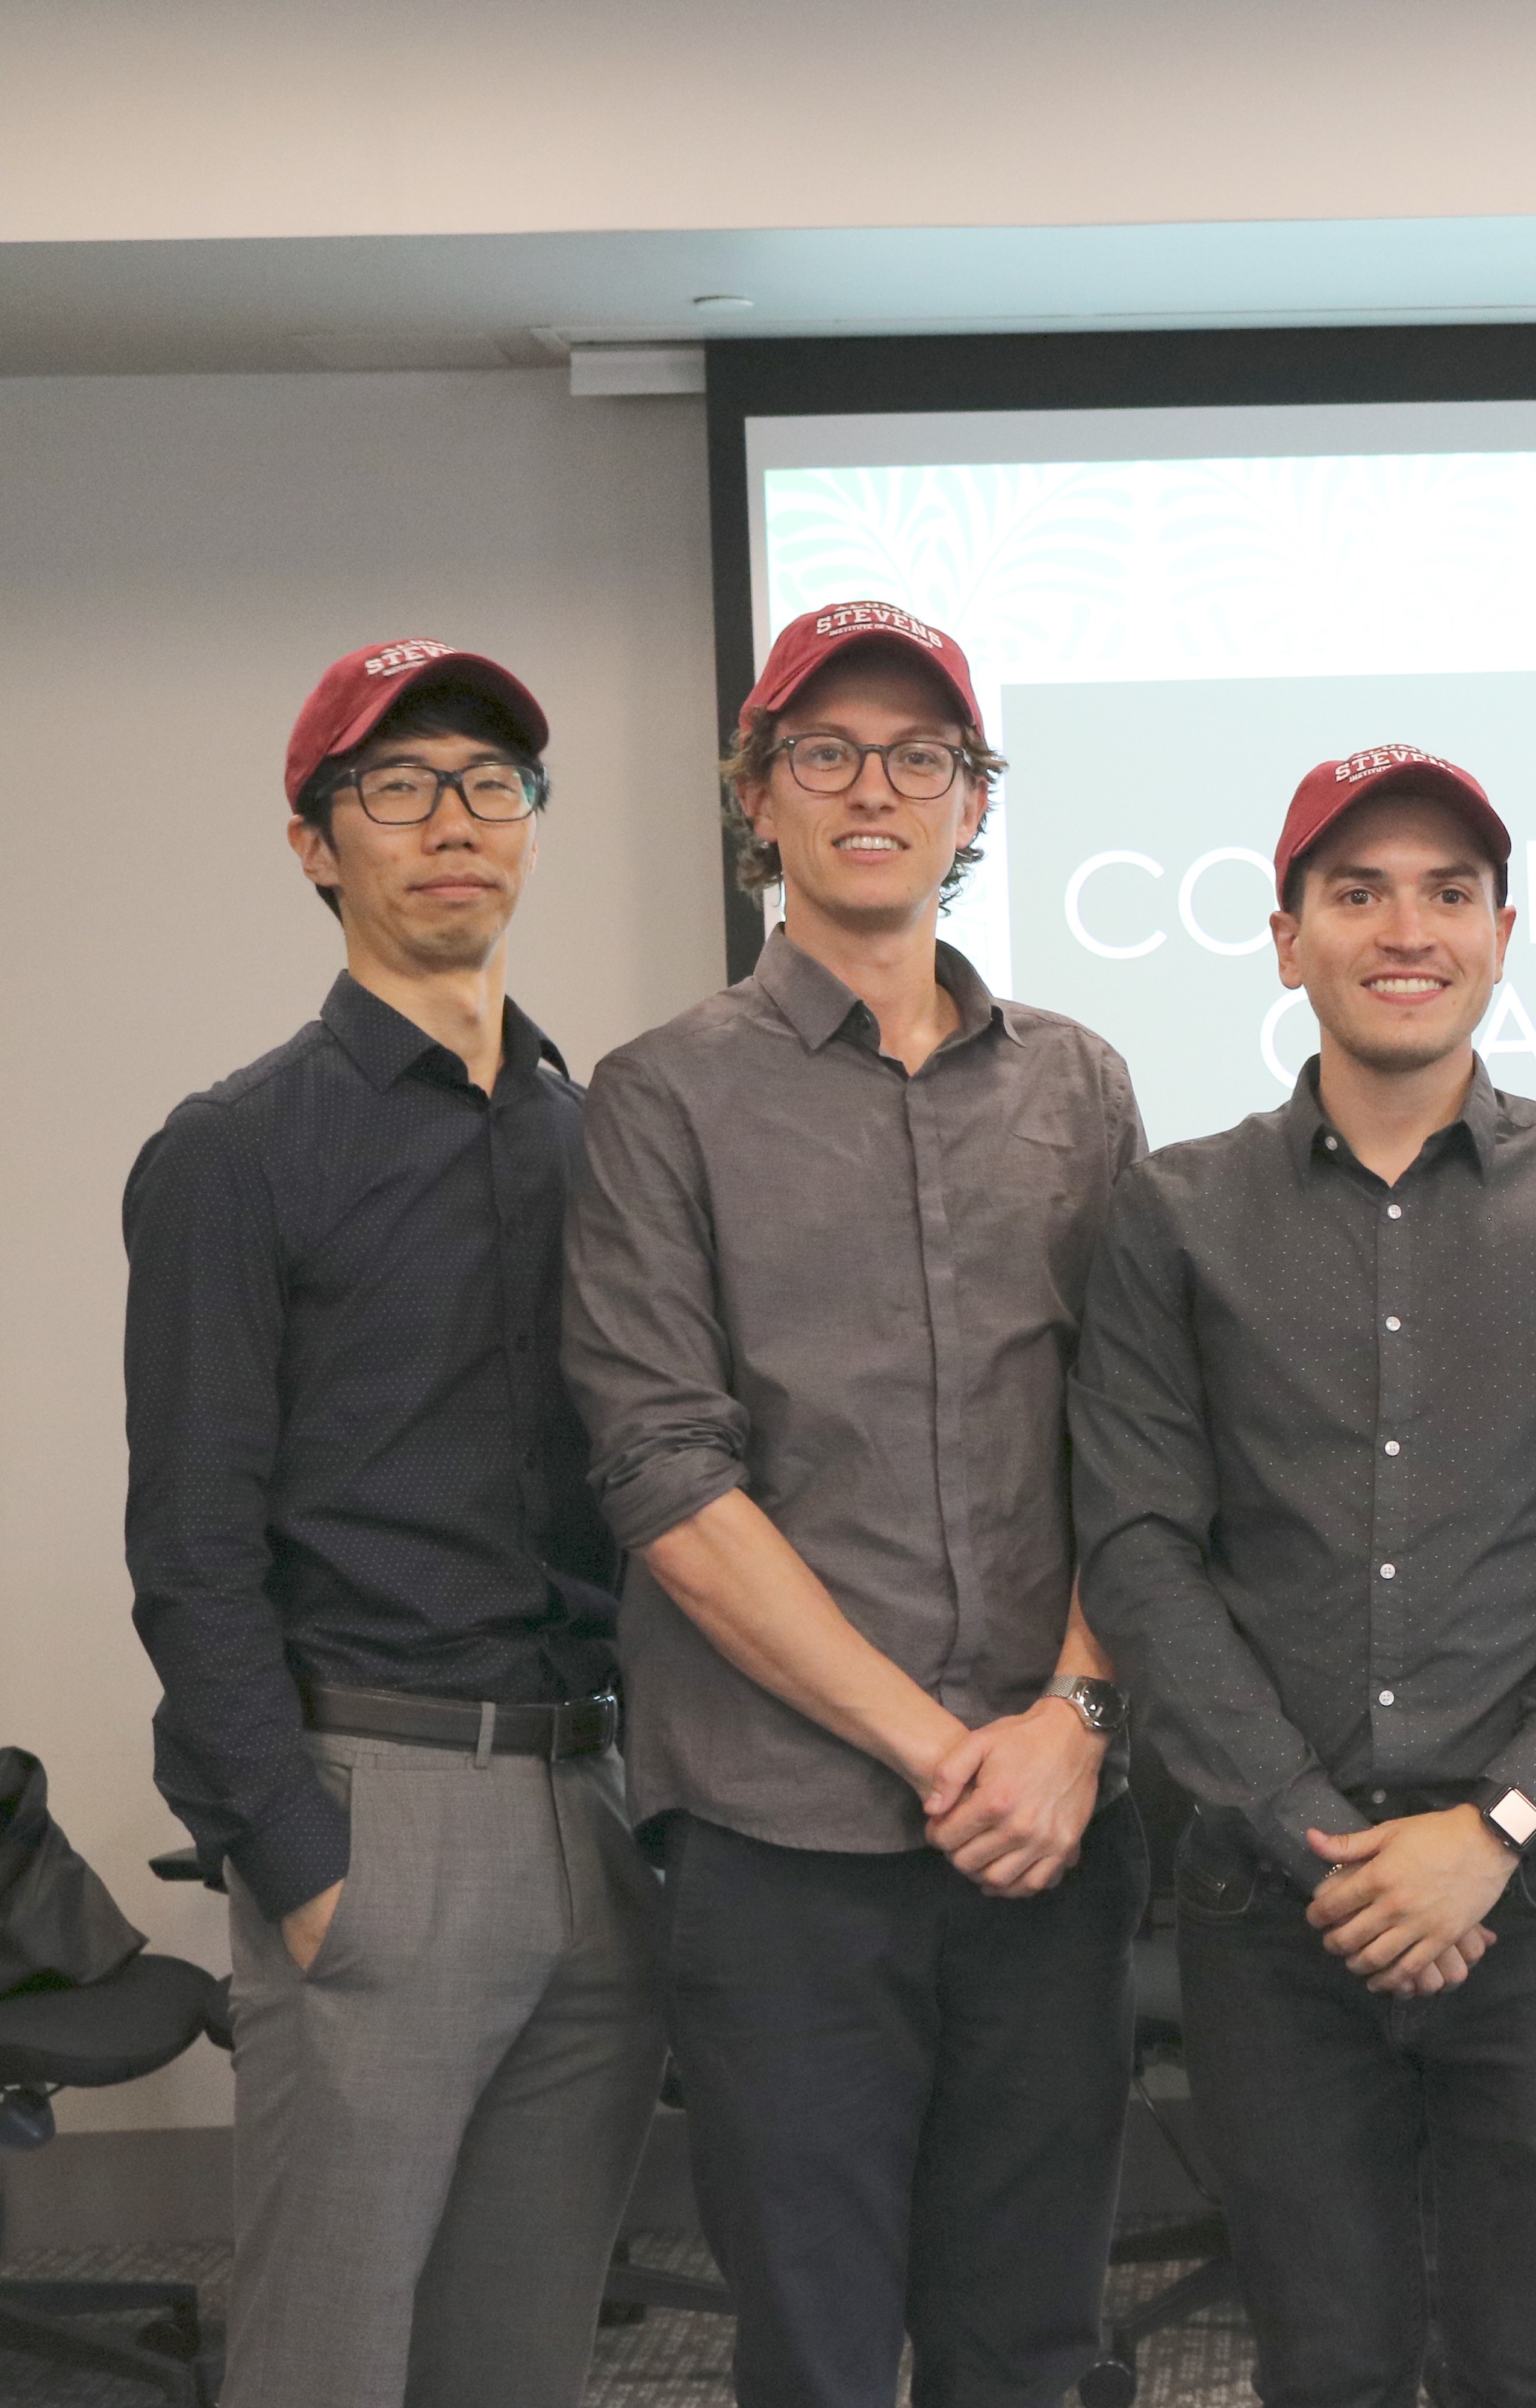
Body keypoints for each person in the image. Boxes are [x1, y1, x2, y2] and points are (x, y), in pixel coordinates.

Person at [1070, 743, 1536, 2408]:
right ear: (1286, 938)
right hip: (1271, 1902)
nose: (1404, 927)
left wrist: (1490, 1830)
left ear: (1504, 932)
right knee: (1326, 2365)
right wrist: (1330, 1846)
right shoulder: (1173, 1216)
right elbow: (1142, 1551)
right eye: (1355, 892)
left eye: (1447, 891)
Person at [562, 601, 1148, 2407]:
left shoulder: (1079, 1084)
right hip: (785, 1842)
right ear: (760, 798)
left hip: (1055, 1827)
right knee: (816, 2350)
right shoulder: (662, 1099)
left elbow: (1147, 1449)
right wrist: (936, 1747)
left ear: (977, 803)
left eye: (922, 756)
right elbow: (667, 1471)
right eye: (826, 753)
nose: (874, 788)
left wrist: (1068, 1721)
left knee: (1031, 2338)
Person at [125, 638, 662, 2407]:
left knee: (521, 2368)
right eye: (398, 785)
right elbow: (189, 1547)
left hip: (594, 1815)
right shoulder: (238, 1150)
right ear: (313, 844)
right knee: (330, 2370)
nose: (455, 823)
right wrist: (294, 1854)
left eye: (493, 785)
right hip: (379, 1815)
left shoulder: (607, 1141)